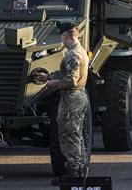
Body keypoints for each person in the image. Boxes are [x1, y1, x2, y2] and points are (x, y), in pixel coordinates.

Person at [39, 22, 90, 181]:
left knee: (69, 135)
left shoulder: (72, 55)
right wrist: (48, 77)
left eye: (62, 36)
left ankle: (73, 173)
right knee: (76, 134)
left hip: (72, 98)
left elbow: (70, 81)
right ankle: (80, 168)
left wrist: (52, 83)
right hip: (78, 96)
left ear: (65, 36)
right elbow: (67, 74)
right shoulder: (80, 51)